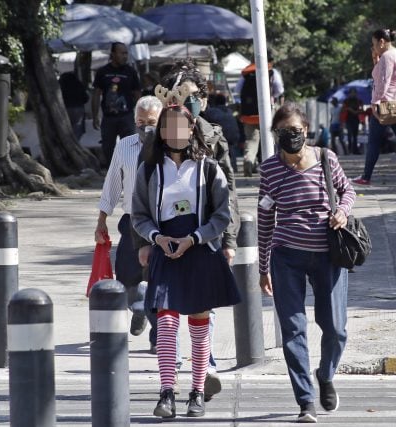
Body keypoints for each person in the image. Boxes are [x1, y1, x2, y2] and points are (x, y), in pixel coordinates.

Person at [137, 59, 240, 402]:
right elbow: (139, 208)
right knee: (165, 320)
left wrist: (226, 241)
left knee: (200, 317)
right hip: (165, 246)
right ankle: (167, 388)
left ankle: (199, 380)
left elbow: (227, 200)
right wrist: (151, 239)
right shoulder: (148, 159)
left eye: (194, 97)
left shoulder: (212, 145)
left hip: (201, 243)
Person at [257, 103, 355, 423]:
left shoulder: (327, 158)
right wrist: (263, 267)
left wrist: (342, 211)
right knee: (293, 329)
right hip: (286, 257)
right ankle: (305, 400)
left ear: (307, 130)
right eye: (284, 132)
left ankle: (325, 374)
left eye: (296, 131)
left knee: (336, 329)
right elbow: (264, 219)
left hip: (328, 254)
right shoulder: (270, 169)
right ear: (275, 135)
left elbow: (347, 190)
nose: (291, 137)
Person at [95, 96, 163, 337]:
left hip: (162, 222)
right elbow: (112, 183)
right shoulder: (124, 145)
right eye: (140, 121)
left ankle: (158, 335)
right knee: (125, 276)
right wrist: (102, 220)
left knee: (158, 279)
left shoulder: (171, 145)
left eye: (152, 121)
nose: (145, 126)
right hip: (132, 221)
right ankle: (140, 307)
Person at [351, 28, 396, 186]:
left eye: (374, 44)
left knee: (374, 141)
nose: (374, 47)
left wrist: (375, 103)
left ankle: (366, 177)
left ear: (382, 42)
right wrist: (376, 60)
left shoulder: (387, 57)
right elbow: (388, 77)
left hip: (386, 104)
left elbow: (382, 83)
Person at [92, 42, 141, 166]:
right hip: (108, 118)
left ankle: (128, 171)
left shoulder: (131, 72)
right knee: (107, 148)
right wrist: (95, 116)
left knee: (130, 147)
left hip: (127, 116)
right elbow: (96, 94)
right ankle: (112, 173)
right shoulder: (103, 72)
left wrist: (139, 115)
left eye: (126, 53)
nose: (125, 56)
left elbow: (137, 94)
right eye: (122, 53)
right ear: (113, 54)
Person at [236, 62, 285, 176]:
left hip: (249, 113)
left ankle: (249, 160)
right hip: (267, 111)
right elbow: (279, 90)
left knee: (251, 140)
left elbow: (238, 90)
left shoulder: (246, 73)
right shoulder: (272, 71)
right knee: (269, 138)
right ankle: (271, 166)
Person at [203, 93, 241, 172]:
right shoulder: (229, 111)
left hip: (222, 136)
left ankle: (225, 168)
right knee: (231, 149)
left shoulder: (211, 111)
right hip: (234, 135)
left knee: (221, 147)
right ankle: (234, 167)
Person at [59, 72, 89, 140]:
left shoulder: (61, 86)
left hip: (65, 109)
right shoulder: (78, 85)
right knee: (77, 130)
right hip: (78, 109)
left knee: (64, 130)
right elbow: (86, 98)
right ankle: (75, 144)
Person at [342, 88, 363, 155]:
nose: (353, 94)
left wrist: (355, 111)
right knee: (349, 135)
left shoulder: (359, 101)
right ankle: (349, 150)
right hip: (348, 120)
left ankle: (355, 150)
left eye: (354, 92)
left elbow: (361, 110)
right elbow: (343, 109)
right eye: (352, 92)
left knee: (355, 136)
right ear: (350, 93)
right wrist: (349, 109)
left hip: (356, 119)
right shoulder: (346, 101)